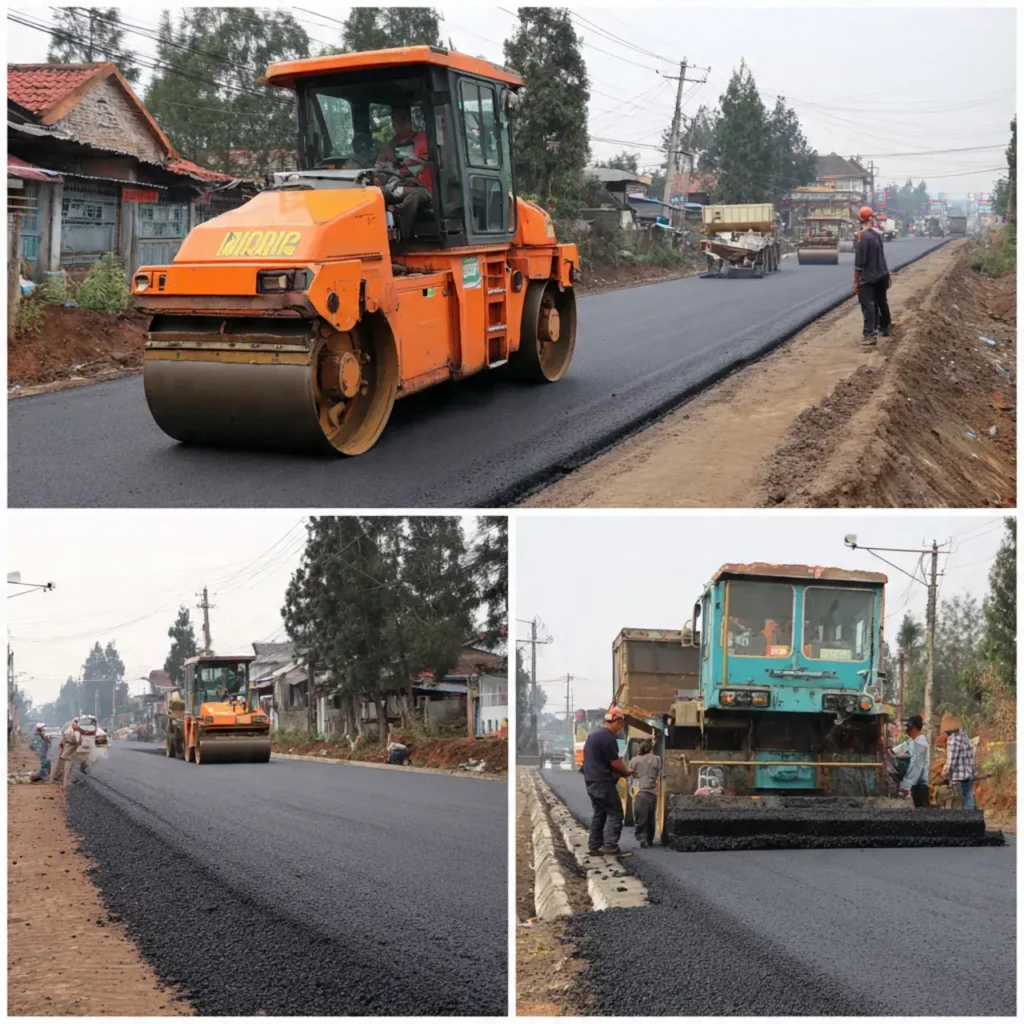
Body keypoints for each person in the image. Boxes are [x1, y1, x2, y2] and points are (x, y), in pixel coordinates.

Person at [582, 707, 633, 856]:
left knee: (600, 813)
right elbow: (615, 762)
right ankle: (610, 846)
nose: (621, 726)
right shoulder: (608, 738)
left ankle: (594, 845)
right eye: (621, 723)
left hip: (591, 781)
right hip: (602, 781)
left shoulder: (594, 735)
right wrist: (626, 771)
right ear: (616, 721)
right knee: (616, 813)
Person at [377, 105, 433, 241]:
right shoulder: (390, 145)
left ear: (409, 120)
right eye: (395, 120)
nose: (398, 123)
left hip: (424, 188)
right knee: (378, 194)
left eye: (401, 119)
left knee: (413, 197)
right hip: (398, 185)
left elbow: (424, 163)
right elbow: (379, 166)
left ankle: (404, 235)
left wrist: (399, 160)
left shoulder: (423, 139)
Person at [853, 205, 892, 346]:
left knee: (868, 304)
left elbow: (859, 263)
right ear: (871, 219)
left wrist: (856, 281)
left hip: (869, 276)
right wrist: (888, 275)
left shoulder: (862, 238)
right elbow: (882, 256)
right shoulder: (877, 235)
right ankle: (885, 326)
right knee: (881, 300)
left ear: (860, 220)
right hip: (882, 274)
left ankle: (870, 334)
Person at [891, 715, 930, 808]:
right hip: (915, 786)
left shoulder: (921, 744)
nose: (906, 728)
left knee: (921, 813)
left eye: (908, 726)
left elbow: (916, 767)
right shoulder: (911, 742)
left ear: (914, 728)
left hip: (919, 786)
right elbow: (895, 751)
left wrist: (905, 785)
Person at [941, 712, 978, 811]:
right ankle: (970, 821)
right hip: (969, 774)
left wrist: (945, 771)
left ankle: (964, 822)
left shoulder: (953, 740)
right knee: (968, 798)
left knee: (958, 803)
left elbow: (951, 761)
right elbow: (971, 756)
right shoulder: (964, 736)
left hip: (959, 777)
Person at [628, 740, 661, 848]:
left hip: (640, 792)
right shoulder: (657, 759)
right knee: (651, 818)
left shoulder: (635, 760)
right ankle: (650, 839)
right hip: (652, 793)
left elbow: (629, 773)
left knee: (641, 817)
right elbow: (658, 772)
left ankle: (643, 839)